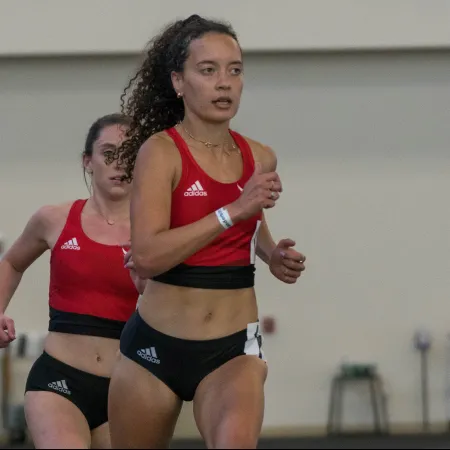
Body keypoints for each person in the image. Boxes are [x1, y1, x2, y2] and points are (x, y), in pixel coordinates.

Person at [107, 15, 306, 449]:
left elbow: (252, 223)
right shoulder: (160, 153)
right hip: (153, 349)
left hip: (232, 350)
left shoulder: (261, 156)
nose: (224, 83)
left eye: (234, 70)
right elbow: (148, 257)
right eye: (208, 70)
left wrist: (271, 254)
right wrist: (232, 210)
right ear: (179, 81)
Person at [0, 113, 144, 449]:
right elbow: (11, 262)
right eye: (108, 153)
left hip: (128, 386)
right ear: (88, 161)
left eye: (130, 154)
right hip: (59, 380)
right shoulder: (54, 219)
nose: (119, 163)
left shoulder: (158, 233)